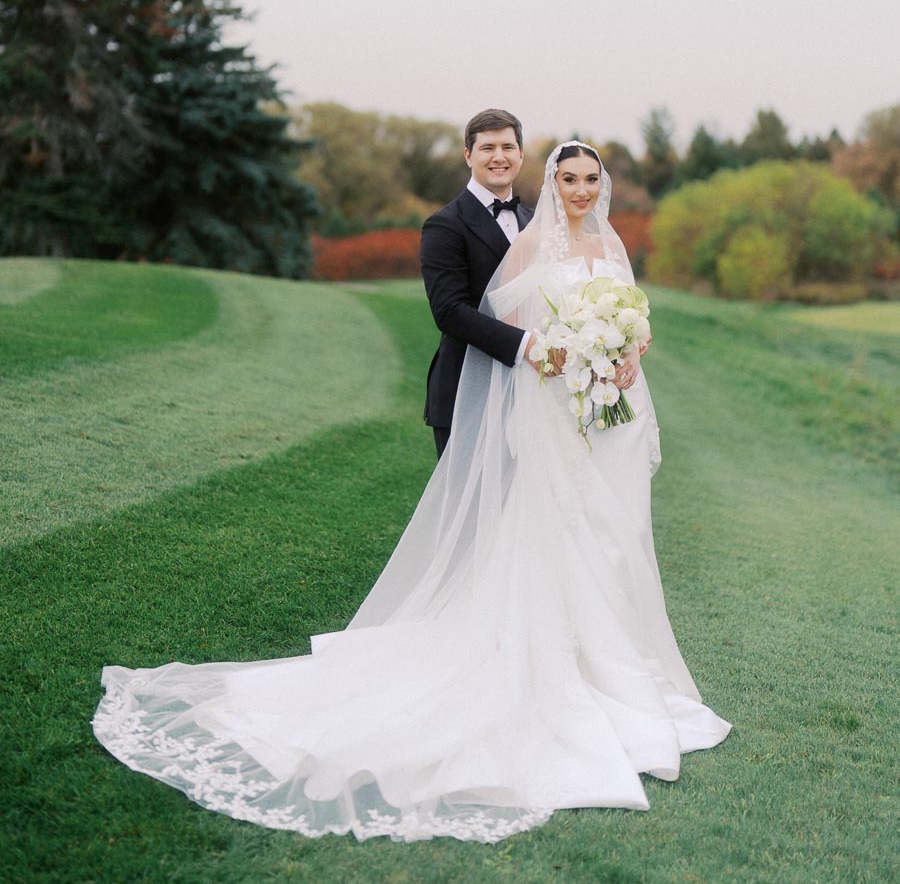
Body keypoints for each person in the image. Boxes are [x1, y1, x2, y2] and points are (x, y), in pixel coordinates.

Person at [92, 140, 731, 844]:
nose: (581, 190)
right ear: (551, 183)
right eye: (569, 179)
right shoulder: (529, 250)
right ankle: (569, 670)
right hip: (561, 413)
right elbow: (506, 329)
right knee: (569, 539)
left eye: (591, 180)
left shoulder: (613, 246)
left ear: (603, 186)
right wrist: (567, 354)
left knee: (620, 541)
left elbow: (636, 321)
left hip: (616, 417)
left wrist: (627, 349)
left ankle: (618, 663)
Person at [420, 108, 536, 458]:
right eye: (487, 148)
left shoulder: (535, 221)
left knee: (522, 511)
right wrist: (527, 345)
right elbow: (450, 312)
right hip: (465, 393)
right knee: (466, 513)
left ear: (520, 154)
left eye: (507, 147)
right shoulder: (444, 225)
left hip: (531, 395)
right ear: (468, 155)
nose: (498, 157)